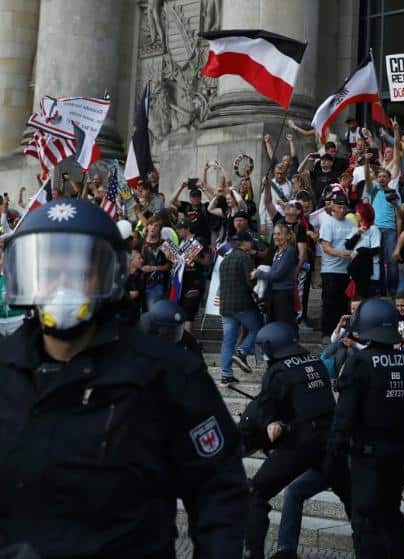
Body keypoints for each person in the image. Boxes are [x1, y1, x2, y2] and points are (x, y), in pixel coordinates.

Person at [0, 198, 248, 557]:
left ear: (108, 274)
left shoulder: (166, 373)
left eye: (78, 270)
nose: (62, 284)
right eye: (49, 271)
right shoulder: (5, 367)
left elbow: (219, 488)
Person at [242, 322, 351, 559]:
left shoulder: (278, 370)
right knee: (351, 500)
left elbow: (264, 407)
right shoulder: (315, 362)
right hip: (331, 444)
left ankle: (254, 554)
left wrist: (269, 424)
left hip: (300, 444)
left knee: (254, 493)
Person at [329, 298, 404, 558]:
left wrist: (334, 450)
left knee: (366, 518)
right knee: (392, 512)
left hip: (368, 455)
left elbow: (345, 414)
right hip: (400, 452)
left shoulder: (359, 362)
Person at [218, 230, 263, 384]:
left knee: (228, 340)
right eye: (251, 242)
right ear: (245, 242)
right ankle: (242, 351)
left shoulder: (225, 259)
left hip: (225, 306)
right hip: (242, 304)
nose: (252, 245)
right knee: (257, 328)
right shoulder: (245, 258)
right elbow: (251, 283)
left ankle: (226, 375)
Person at [319, 193, 356, 340]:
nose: (341, 210)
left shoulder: (351, 224)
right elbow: (326, 247)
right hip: (330, 270)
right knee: (329, 303)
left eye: (343, 207)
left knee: (344, 304)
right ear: (333, 207)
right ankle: (327, 333)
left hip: (346, 271)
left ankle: (341, 332)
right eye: (339, 207)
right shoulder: (328, 224)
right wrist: (342, 254)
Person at [254, 222, 299, 328]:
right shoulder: (277, 251)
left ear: (288, 236)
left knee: (283, 325)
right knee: (272, 324)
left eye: (279, 234)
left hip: (283, 294)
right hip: (273, 293)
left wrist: (258, 274)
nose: (276, 237)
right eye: (274, 234)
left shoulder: (289, 251)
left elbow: (277, 275)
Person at [139, 298, 204, 365]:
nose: (174, 333)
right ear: (157, 328)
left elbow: (199, 362)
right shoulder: (140, 337)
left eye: (178, 328)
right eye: (169, 329)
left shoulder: (186, 337)